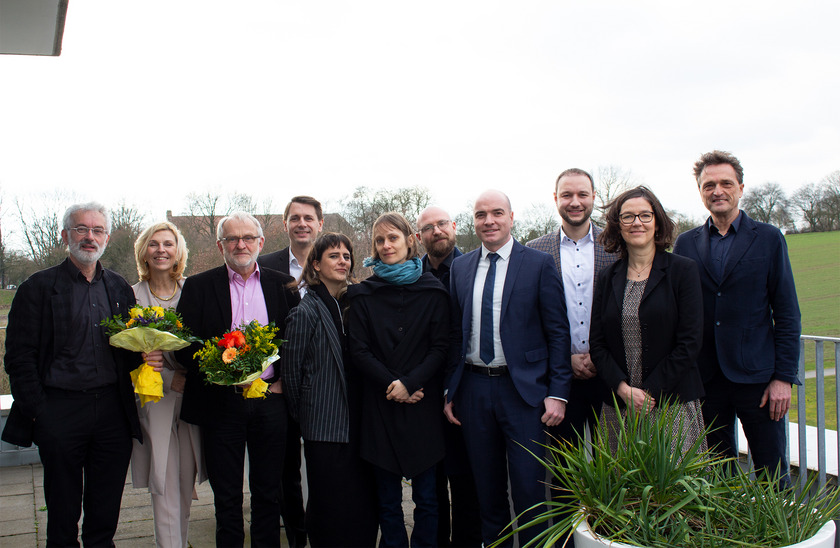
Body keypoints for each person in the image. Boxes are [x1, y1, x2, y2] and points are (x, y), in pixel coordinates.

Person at [1, 202, 142, 546]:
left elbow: (130, 347)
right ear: (66, 235)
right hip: (59, 410)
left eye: (97, 230)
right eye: (81, 229)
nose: (89, 237)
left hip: (112, 412)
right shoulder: (37, 287)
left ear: (107, 237)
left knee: (105, 510)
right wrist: (40, 412)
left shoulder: (120, 288)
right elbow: (19, 357)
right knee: (62, 514)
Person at [445, 190, 572, 548]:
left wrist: (558, 393)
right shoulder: (461, 267)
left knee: (530, 491)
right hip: (473, 390)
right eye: (481, 214)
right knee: (487, 491)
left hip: (524, 394)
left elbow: (558, 332)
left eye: (497, 213)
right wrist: (450, 391)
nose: (489, 221)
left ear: (511, 217)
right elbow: (456, 333)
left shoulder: (538, 263)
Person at [674, 150, 801, 484]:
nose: (718, 191)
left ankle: (780, 535)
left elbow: (786, 312)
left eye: (726, 183)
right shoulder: (686, 244)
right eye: (708, 185)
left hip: (759, 379)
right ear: (700, 192)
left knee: (773, 474)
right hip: (706, 381)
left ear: (741, 188)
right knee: (716, 476)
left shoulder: (769, 238)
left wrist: (783, 377)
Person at [175, 212, 300, 547]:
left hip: (270, 402)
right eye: (232, 239)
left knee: (268, 493)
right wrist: (220, 370)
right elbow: (185, 347)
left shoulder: (283, 285)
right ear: (220, 245)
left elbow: (297, 342)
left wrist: (281, 383)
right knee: (226, 496)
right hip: (220, 404)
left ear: (260, 242)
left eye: (247, 238)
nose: (240, 244)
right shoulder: (199, 287)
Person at [526, 168, 617, 548]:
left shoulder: (617, 245)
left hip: (612, 375)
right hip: (560, 379)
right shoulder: (534, 251)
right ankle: (566, 541)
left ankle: (614, 539)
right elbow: (532, 319)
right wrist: (566, 356)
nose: (574, 201)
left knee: (616, 467)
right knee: (562, 473)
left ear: (594, 197)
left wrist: (599, 355)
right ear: (555, 198)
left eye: (582, 194)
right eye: (567, 195)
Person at [347, 212, 450, 548]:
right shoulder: (363, 294)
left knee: (429, 500)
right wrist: (395, 386)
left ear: (411, 240)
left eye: (393, 238)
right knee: (388, 503)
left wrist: (412, 382)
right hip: (381, 405)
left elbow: (440, 347)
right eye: (380, 240)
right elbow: (359, 351)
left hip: (424, 406)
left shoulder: (434, 292)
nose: (386, 245)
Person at [589, 186, 706, 453]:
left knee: (672, 492)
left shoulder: (683, 271)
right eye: (628, 217)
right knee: (621, 489)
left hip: (671, 406)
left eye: (645, 215)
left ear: (657, 222)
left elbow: (689, 342)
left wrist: (648, 393)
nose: (637, 223)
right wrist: (623, 390)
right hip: (620, 409)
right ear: (618, 226)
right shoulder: (608, 277)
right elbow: (597, 344)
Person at [281, 232, 378, 548]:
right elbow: (292, 374)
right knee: (329, 504)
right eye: (333, 256)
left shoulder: (356, 303)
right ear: (316, 265)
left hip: (360, 421)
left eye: (346, 256)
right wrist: (308, 415)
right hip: (324, 424)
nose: (342, 261)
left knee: (362, 501)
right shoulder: (305, 311)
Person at [129, 221, 206, 548]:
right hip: (155, 398)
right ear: (144, 252)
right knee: (163, 479)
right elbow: (122, 356)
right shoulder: (131, 295)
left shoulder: (196, 290)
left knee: (185, 478)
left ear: (178, 253)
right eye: (154, 244)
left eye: (168, 244)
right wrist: (165, 376)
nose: (161, 250)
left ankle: (179, 539)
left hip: (192, 398)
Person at [257, 195, 323, 547]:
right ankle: (297, 535)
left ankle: (323, 528)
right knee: (285, 471)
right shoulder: (264, 265)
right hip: (280, 386)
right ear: (285, 225)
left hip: (321, 386)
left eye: (308, 218)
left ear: (319, 224)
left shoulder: (331, 260)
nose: (302, 223)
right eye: (294, 217)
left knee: (322, 463)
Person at [415, 206, 482, 548]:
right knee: (431, 479)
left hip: (464, 388)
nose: (436, 231)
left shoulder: (473, 268)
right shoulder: (412, 275)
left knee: (466, 476)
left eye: (442, 224)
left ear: (454, 227)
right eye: (428, 228)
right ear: (419, 237)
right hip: (424, 392)